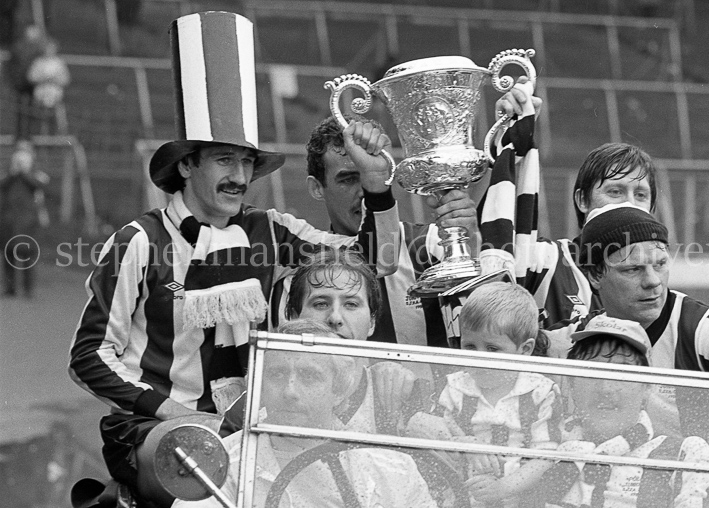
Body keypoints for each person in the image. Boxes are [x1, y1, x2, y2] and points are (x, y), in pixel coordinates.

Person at [67, 12, 404, 507]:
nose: (240, 176)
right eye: (225, 160)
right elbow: (89, 357)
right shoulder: (139, 241)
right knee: (200, 463)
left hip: (253, 424)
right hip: (158, 429)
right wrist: (172, 412)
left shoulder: (271, 229)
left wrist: (377, 184)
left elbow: (377, 261)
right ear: (186, 165)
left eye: (246, 162)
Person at [546, 203, 709, 506]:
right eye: (633, 269)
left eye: (660, 264)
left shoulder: (704, 330)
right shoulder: (576, 339)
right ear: (595, 276)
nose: (653, 281)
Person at [172, 319, 439, 508]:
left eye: (309, 376)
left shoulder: (391, 469)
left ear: (338, 390)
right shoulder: (220, 466)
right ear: (259, 387)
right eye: (276, 374)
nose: (290, 391)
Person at [270, 116, 480, 351]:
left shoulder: (430, 245)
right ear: (317, 188)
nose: (365, 191)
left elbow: (492, 323)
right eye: (348, 179)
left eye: (376, 175)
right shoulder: (297, 270)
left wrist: (471, 247)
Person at [494, 85, 658, 324]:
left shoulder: (656, 287)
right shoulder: (546, 260)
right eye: (615, 191)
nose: (629, 204)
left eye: (641, 195)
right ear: (582, 200)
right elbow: (498, 242)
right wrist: (512, 143)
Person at [221, 248, 422, 437]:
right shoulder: (255, 404)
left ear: (372, 322)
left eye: (351, 304)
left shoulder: (400, 394)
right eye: (321, 304)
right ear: (293, 317)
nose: (335, 318)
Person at [543, 314, 709, 508]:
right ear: (570, 384)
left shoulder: (682, 455)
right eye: (592, 371)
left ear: (647, 387)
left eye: (621, 373)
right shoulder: (543, 448)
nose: (606, 388)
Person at [437, 282, 558, 507]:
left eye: (492, 348)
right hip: (461, 500)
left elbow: (546, 456)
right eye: (470, 346)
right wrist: (464, 443)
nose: (479, 357)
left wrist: (503, 488)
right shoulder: (454, 387)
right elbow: (440, 436)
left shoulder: (540, 391)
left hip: (522, 501)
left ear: (525, 350)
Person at [0, 139, 49, 298]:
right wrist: (14, 173)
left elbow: (39, 185)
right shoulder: (9, 172)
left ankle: (28, 288)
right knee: (8, 253)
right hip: (9, 220)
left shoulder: (36, 171)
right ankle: (10, 287)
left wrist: (24, 173)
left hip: (28, 221)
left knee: (27, 253)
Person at [6, 24, 48, 139]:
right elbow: (11, 66)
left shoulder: (39, 49)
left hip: (34, 84)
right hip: (20, 83)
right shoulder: (18, 48)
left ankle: (32, 135)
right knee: (21, 110)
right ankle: (20, 135)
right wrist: (14, 80)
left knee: (33, 110)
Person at [26, 37, 70, 134]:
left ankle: (57, 137)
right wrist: (43, 79)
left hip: (55, 95)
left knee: (56, 118)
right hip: (40, 95)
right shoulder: (38, 62)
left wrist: (54, 79)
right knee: (40, 118)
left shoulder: (59, 63)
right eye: (47, 48)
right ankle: (39, 136)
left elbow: (65, 80)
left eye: (52, 48)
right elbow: (31, 77)